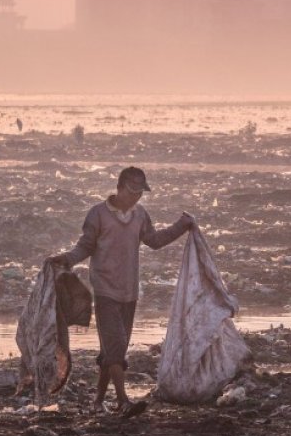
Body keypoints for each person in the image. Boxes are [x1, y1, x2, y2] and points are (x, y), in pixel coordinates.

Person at [47, 166, 195, 417]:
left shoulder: (140, 216)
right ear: (120, 187)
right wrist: (67, 259)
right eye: (133, 190)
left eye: (140, 192)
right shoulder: (98, 215)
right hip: (105, 290)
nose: (137, 196)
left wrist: (183, 225)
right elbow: (85, 246)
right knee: (115, 346)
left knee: (113, 350)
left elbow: (155, 241)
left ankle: (97, 402)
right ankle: (123, 401)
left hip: (130, 291)